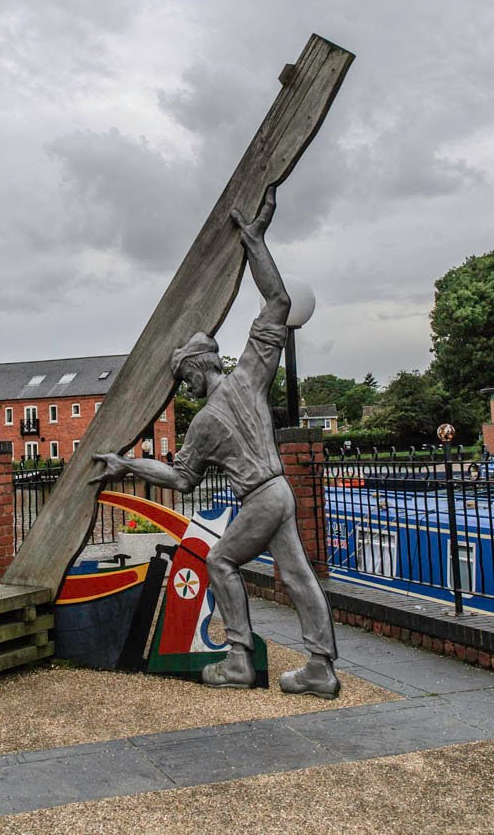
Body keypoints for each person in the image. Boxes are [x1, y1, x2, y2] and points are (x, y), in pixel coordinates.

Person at [94, 187, 339, 697]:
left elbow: (181, 480)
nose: (183, 389)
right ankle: (320, 665)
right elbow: (278, 300)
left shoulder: (206, 420)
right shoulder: (250, 375)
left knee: (221, 561)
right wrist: (255, 243)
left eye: (184, 379)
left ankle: (238, 659)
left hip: (260, 497)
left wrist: (126, 465)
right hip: (282, 492)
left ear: (200, 367)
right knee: (297, 578)